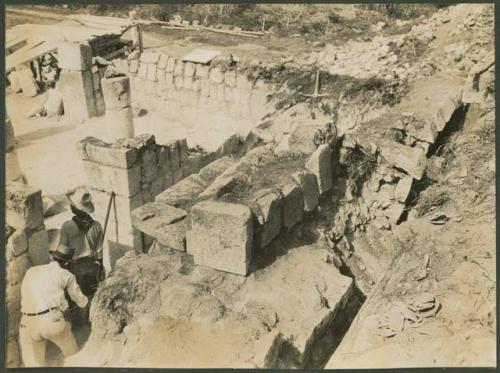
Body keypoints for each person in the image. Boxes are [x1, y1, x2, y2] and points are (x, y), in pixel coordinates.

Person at [19, 245, 88, 367]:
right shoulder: (66, 274)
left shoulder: (31, 271)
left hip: (26, 323)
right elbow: (81, 301)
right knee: (74, 358)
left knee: (33, 366)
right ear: (67, 264)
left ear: (52, 257)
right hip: (51, 320)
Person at [57, 187, 104, 324]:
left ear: (75, 209)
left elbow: (63, 253)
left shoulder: (67, 226)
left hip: (76, 268)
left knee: (76, 297)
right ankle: (92, 319)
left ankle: (80, 323)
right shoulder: (97, 225)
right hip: (92, 265)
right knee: (92, 294)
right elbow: (99, 251)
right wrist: (99, 266)